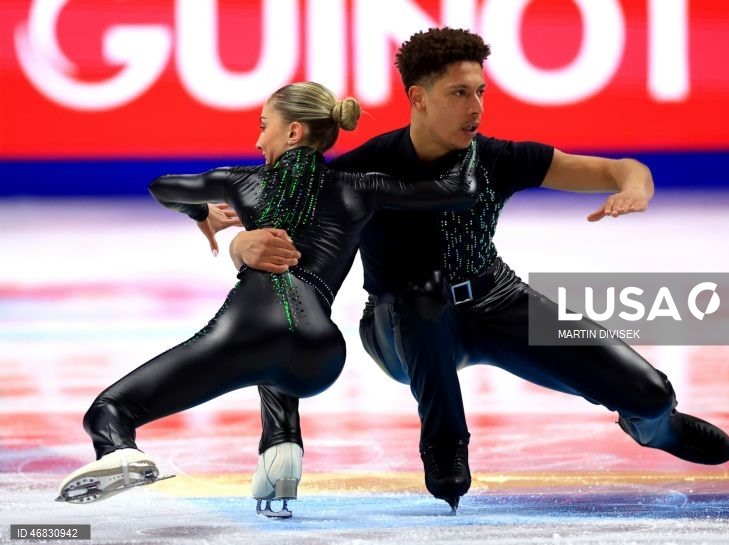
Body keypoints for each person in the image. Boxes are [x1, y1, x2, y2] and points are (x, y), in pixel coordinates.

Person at [230, 28, 729, 513]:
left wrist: (634, 188)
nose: (475, 108)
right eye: (458, 93)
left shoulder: (496, 159)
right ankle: (445, 445)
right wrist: (242, 245)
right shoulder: (359, 173)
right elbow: (284, 295)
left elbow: (620, 168)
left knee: (649, 395)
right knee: (424, 296)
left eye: (480, 92)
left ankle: (655, 427)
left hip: (496, 302)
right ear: (419, 98)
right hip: (400, 325)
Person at [56, 81, 478, 517]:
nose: (258, 141)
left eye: (264, 127)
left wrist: (202, 212)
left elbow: (162, 187)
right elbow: (460, 191)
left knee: (109, 410)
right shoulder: (362, 186)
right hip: (322, 355)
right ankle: (281, 448)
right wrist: (466, 137)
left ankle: (119, 450)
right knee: (274, 357)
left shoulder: (242, 180)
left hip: (251, 332)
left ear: (293, 133)